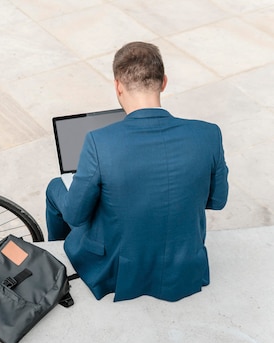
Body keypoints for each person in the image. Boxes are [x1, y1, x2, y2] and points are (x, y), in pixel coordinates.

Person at [45, 41, 229, 302]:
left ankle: (55, 256)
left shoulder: (99, 142)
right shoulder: (209, 133)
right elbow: (217, 201)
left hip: (119, 270)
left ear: (118, 86)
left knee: (55, 186)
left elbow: (75, 216)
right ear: (164, 82)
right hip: (185, 265)